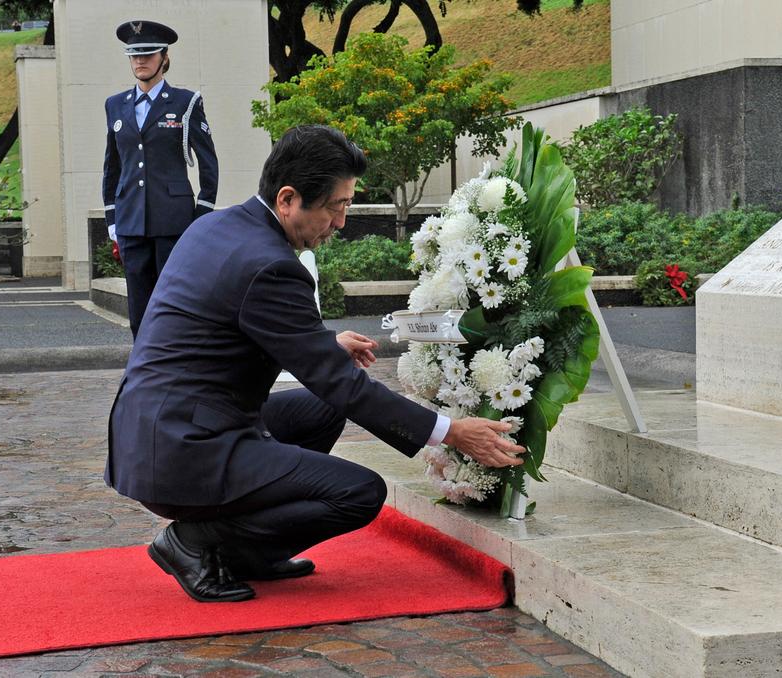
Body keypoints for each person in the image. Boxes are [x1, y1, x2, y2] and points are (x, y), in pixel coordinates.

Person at [105, 125, 524, 602]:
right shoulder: (271, 265)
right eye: (336, 206)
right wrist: (450, 431)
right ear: (288, 199)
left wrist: (323, 343)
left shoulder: (217, 226)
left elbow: (227, 327)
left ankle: (249, 552)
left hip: (158, 430)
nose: (341, 222)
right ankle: (196, 541)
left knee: (322, 410)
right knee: (360, 492)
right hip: (184, 451)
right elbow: (341, 384)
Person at [102, 19, 218, 336]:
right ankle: (145, 371)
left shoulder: (185, 102)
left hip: (175, 221)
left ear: (163, 57)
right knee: (139, 311)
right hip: (131, 222)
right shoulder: (115, 105)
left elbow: (209, 164)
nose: (140, 61)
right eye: (134, 55)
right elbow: (112, 166)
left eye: (148, 54)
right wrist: (112, 219)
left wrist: (201, 217)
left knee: (173, 303)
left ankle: (175, 367)